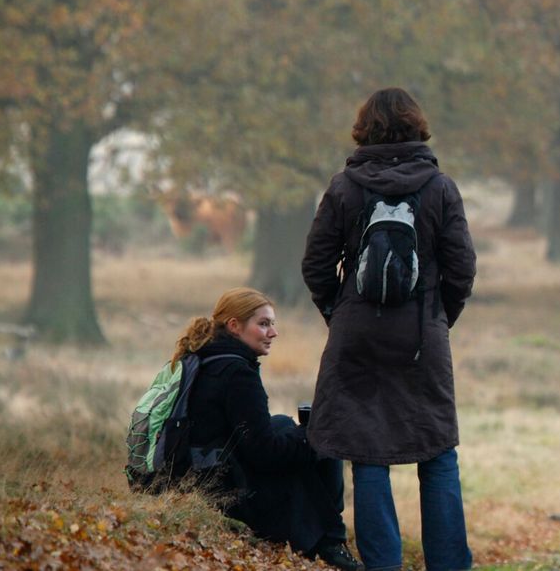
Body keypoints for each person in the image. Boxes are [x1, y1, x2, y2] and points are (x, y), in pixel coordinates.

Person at [302, 87, 477, 571]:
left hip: (356, 335)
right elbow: (462, 269)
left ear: (365, 128)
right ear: (416, 125)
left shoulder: (344, 186)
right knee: (437, 452)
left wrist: (339, 314)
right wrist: (439, 318)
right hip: (423, 336)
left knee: (367, 454)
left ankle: (383, 566)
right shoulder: (441, 188)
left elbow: (315, 264)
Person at [176, 286, 362, 571]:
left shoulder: (204, 356)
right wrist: (312, 436)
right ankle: (330, 540)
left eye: (272, 324)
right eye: (263, 324)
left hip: (198, 473)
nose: (273, 332)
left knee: (285, 425)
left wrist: (299, 435)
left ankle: (328, 534)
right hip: (224, 491)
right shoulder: (237, 373)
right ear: (235, 326)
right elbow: (264, 453)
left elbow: (250, 437)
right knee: (316, 440)